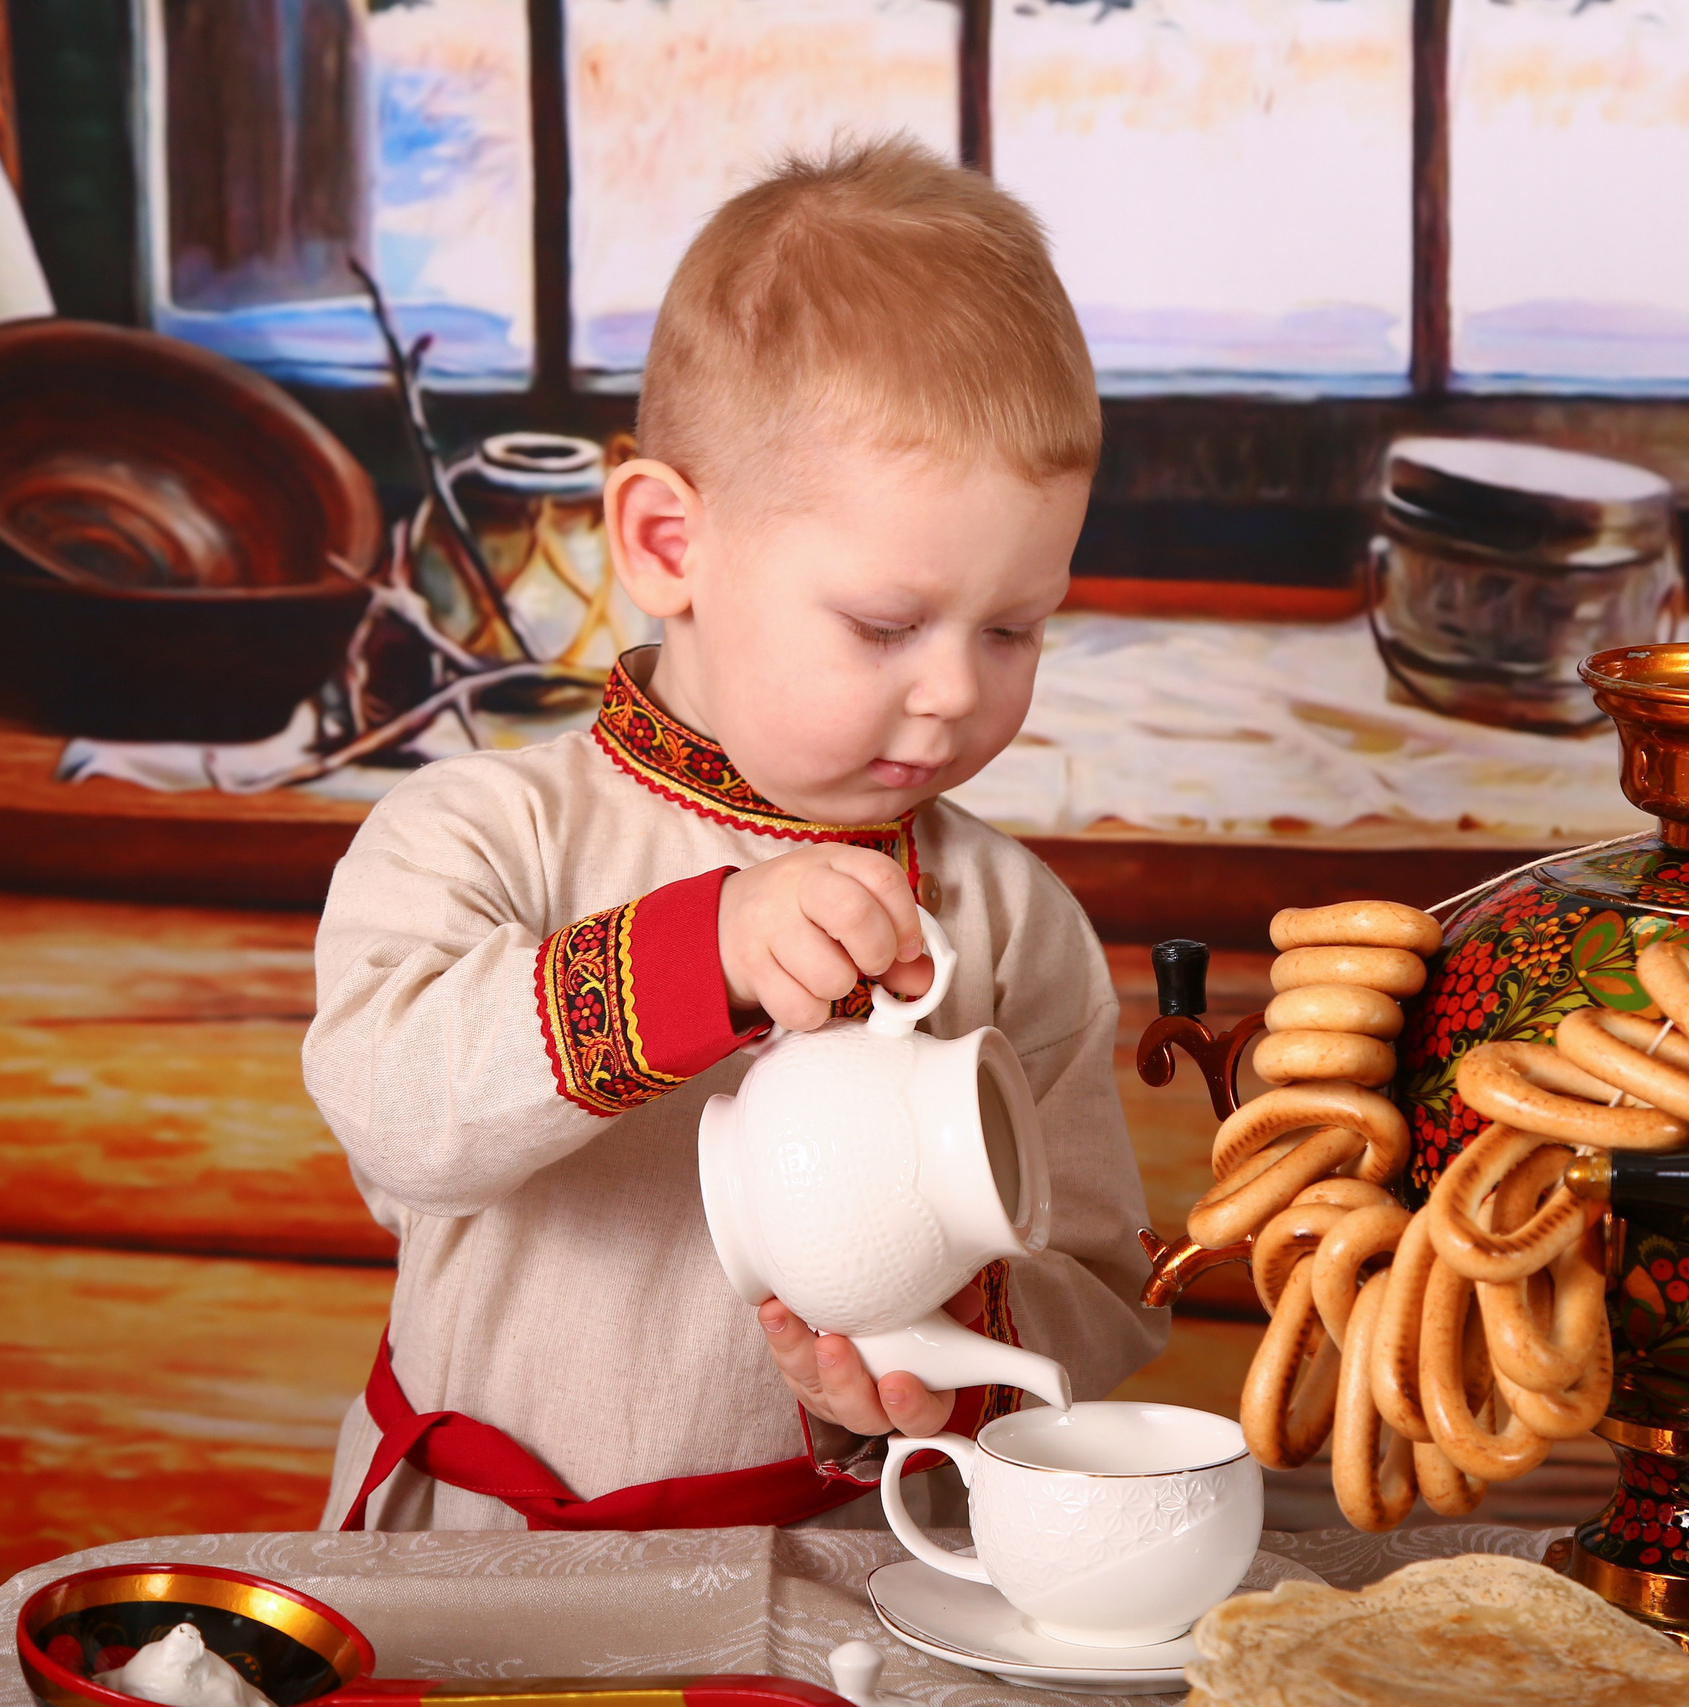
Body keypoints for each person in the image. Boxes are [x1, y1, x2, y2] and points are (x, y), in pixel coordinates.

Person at [303, 136, 1164, 1531]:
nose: (956, 691)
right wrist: (700, 954)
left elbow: (1101, 1286)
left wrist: (942, 1363)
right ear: (666, 544)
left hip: (852, 1572)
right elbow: (395, 1119)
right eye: (885, 624)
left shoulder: (1010, 922)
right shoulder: (479, 834)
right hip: (477, 1559)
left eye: (1015, 629)